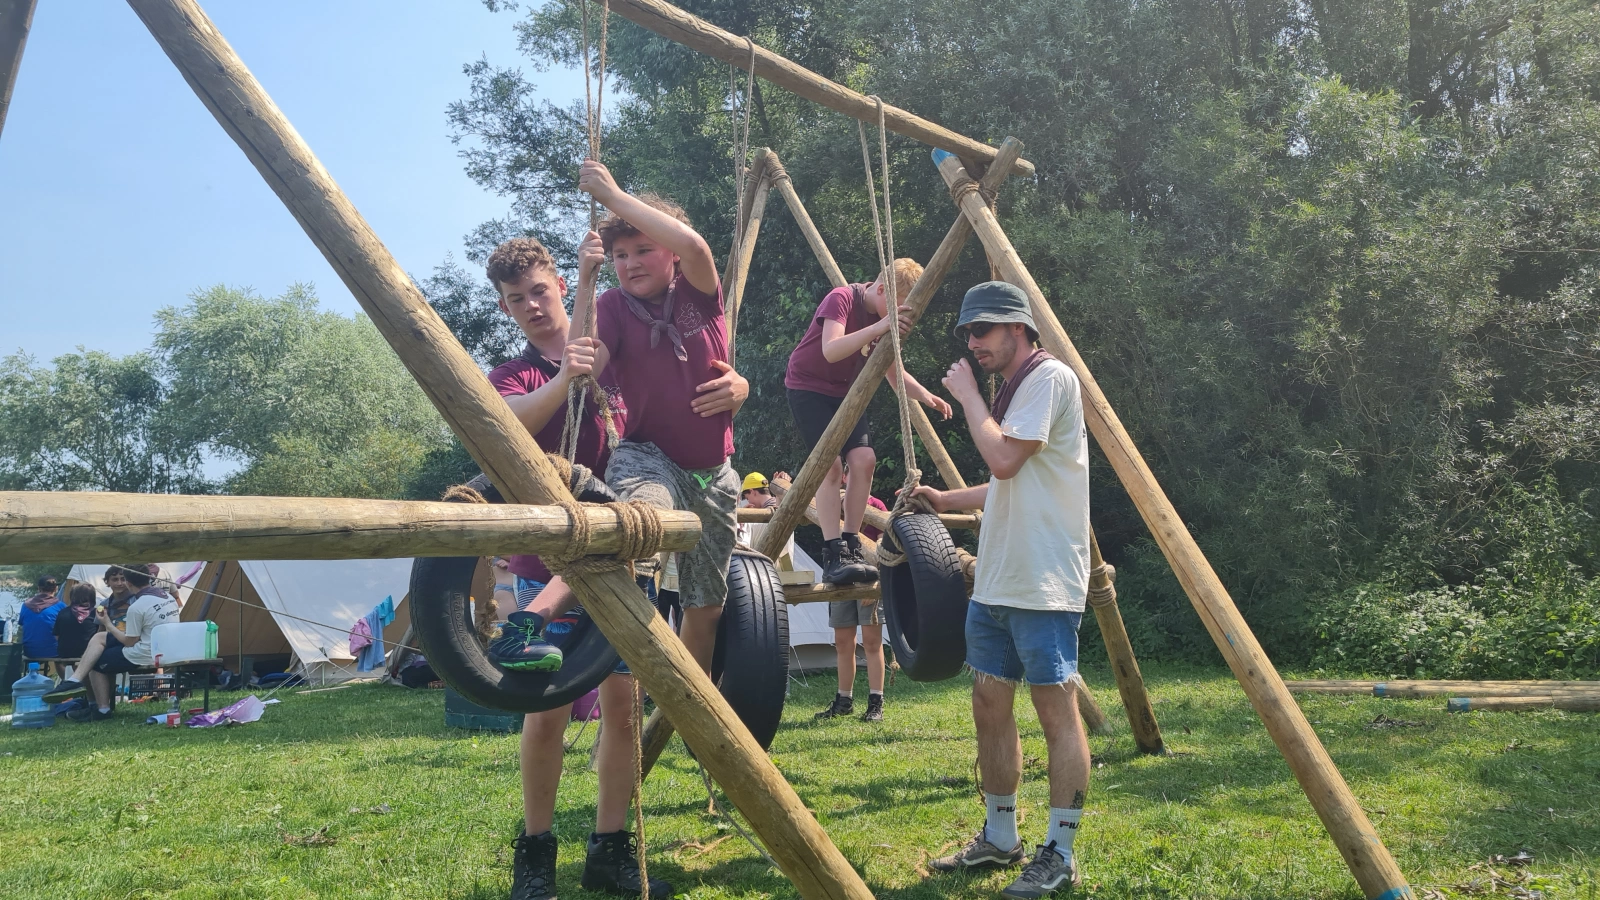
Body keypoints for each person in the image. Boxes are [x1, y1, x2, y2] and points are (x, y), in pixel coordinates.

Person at [473, 236, 668, 900]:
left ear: (558, 284)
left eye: (538, 290)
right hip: (544, 564)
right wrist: (564, 381)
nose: (531, 305)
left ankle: (610, 850)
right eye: (515, 299)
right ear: (504, 308)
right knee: (548, 712)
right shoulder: (516, 374)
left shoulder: (608, 353)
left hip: (616, 560)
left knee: (622, 709)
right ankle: (535, 856)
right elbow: (508, 426)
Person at [519, 160, 750, 681]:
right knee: (633, 531)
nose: (631, 263)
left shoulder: (697, 293)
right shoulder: (614, 307)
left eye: (644, 249)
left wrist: (613, 195)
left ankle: (691, 705)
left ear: (668, 252)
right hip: (649, 459)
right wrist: (585, 278)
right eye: (620, 255)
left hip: (717, 473)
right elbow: (586, 362)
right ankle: (528, 621)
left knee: (705, 604)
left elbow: (696, 248)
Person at [911, 282, 1092, 897]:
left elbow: (1005, 461)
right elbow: (1009, 483)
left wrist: (964, 397)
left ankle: (1060, 853)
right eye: (968, 332)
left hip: (1043, 580)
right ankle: (1001, 837)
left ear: (1018, 328)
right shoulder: (1017, 391)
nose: (972, 342)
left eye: (982, 330)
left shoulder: (1048, 377)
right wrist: (945, 500)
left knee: (1054, 712)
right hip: (998, 579)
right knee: (989, 704)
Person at [783, 261, 951, 586]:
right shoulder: (842, 298)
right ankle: (832, 553)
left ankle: (850, 543)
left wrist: (927, 396)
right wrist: (880, 327)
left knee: (865, 460)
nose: (894, 313)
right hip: (808, 388)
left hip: (847, 393)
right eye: (894, 305)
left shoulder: (884, 319)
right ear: (881, 289)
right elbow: (831, 350)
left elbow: (893, 373)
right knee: (830, 467)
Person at [49, 564, 180, 721]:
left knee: (97, 664)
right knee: (99, 638)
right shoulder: (168, 597)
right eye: (115, 579)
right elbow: (108, 634)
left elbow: (130, 642)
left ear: (129, 583)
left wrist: (108, 623)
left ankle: (102, 710)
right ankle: (74, 681)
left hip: (145, 651)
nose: (119, 583)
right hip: (163, 645)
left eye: (122, 579)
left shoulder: (137, 606)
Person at [816, 491, 891, 722]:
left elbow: (886, 545)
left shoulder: (874, 504)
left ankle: (876, 702)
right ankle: (844, 700)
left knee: (871, 642)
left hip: (869, 578)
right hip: (841, 578)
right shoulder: (832, 501)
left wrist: (875, 583)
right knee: (842, 642)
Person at [18, 576, 64, 661]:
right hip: (54, 651)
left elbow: (21, 624)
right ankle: (67, 674)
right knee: (60, 659)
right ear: (56, 589)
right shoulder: (60, 606)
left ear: (39, 588)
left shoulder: (25, 605)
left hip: (29, 651)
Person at [53, 584, 100, 661]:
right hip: (87, 653)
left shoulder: (63, 612)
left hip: (65, 653)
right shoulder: (96, 613)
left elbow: (57, 636)